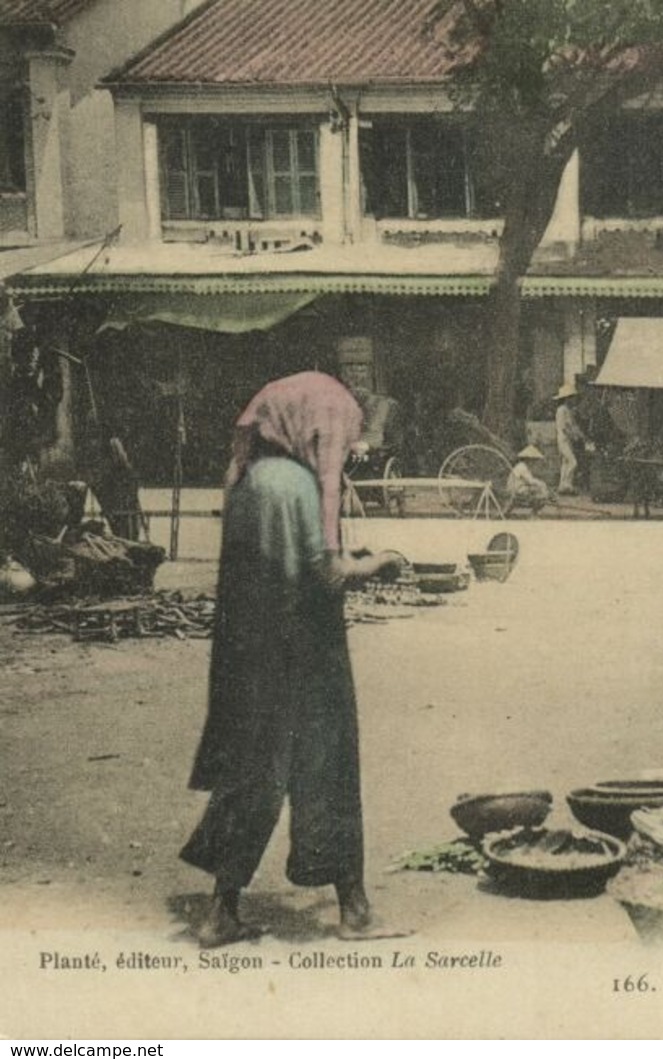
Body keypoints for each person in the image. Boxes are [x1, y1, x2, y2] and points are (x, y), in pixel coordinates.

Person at [180, 372, 402, 948]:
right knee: (328, 758)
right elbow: (324, 567)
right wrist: (377, 562)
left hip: (252, 653)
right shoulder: (302, 484)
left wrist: (338, 554)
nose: (353, 448)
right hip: (306, 648)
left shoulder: (253, 480)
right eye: (354, 439)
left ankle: (220, 911)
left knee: (255, 766)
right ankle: (354, 910)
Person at [555, 382, 589, 496]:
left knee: (565, 462)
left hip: (567, 439)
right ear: (567, 398)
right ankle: (566, 485)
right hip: (563, 439)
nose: (574, 400)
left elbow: (573, 426)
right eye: (572, 398)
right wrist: (573, 436)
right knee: (573, 462)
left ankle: (562, 486)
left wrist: (580, 436)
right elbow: (564, 427)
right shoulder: (561, 410)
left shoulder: (569, 410)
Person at [505, 444, 552, 516]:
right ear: (528, 459)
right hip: (516, 489)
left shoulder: (524, 466)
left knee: (540, 490)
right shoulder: (522, 467)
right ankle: (534, 512)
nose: (534, 462)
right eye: (533, 460)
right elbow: (530, 481)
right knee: (541, 493)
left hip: (519, 487)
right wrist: (542, 484)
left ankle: (535, 511)